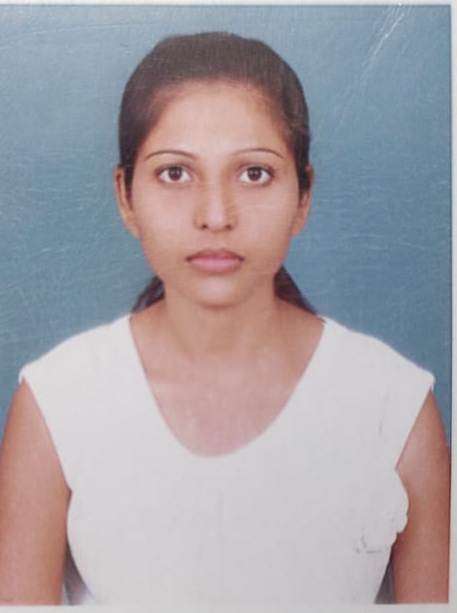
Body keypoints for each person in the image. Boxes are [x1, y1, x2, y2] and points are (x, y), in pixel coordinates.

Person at [0, 32, 450, 606]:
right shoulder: (57, 402)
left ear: (304, 196)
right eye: (175, 173)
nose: (216, 215)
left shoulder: (395, 407)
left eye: (254, 173)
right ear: (125, 197)